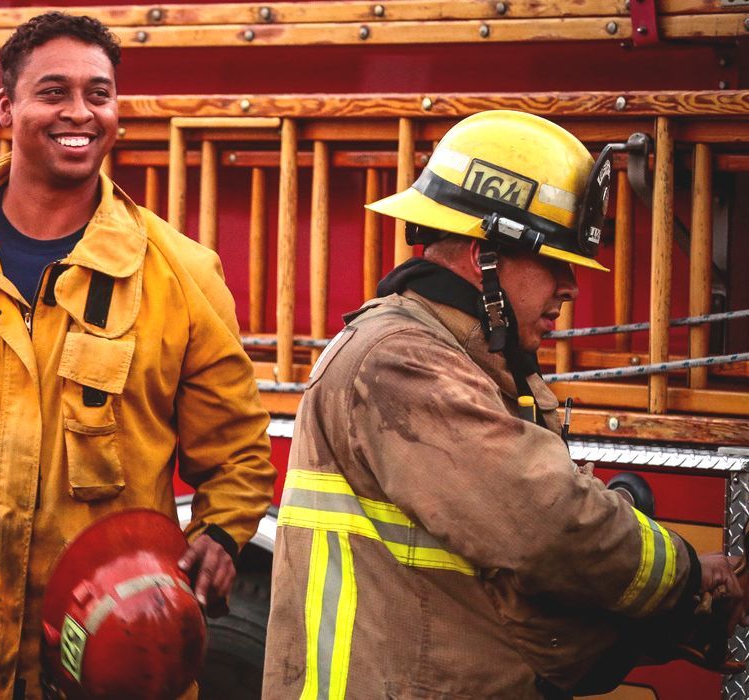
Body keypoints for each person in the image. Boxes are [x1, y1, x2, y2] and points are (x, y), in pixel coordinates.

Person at [0, 12, 275, 698]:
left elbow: (239, 450)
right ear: (6, 107)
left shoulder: (180, 276)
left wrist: (222, 533)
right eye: (54, 92)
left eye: (100, 94)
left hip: (106, 676)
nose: (81, 113)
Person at [262, 110, 748, 698]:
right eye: (554, 262)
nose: (570, 286)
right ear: (482, 255)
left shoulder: (462, 358)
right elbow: (543, 525)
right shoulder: (398, 362)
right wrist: (687, 575)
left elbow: (510, 587)